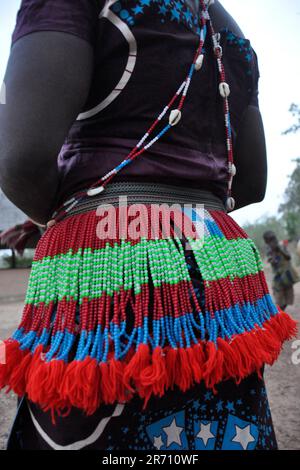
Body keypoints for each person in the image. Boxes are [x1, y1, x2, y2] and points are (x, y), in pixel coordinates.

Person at [0, 0, 297, 451]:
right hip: (218, 276)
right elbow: (252, 184)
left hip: (115, 279)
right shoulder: (228, 30)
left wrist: (76, 216)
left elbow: (21, 162)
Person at [263, 231, 299, 310]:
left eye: (274, 239)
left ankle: (281, 314)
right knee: (279, 300)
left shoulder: (281, 246)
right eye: (270, 240)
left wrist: (280, 250)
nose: (273, 242)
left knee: (288, 299)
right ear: (267, 242)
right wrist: (274, 254)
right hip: (278, 278)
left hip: (287, 276)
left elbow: (288, 257)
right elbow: (272, 261)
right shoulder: (269, 250)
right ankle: (279, 315)